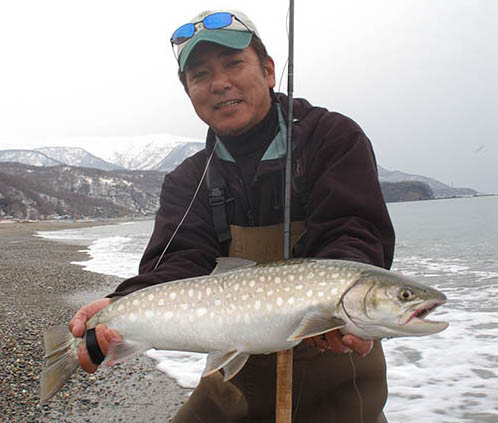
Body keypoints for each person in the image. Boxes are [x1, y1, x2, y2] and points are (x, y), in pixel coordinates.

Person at [69, 9, 395, 423]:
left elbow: (356, 229)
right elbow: (176, 263)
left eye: (234, 63)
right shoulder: (187, 181)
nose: (219, 83)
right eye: (200, 75)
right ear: (189, 91)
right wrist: (120, 304)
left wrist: (340, 303)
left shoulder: (332, 138)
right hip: (234, 377)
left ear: (269, 70)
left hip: (338, 364)